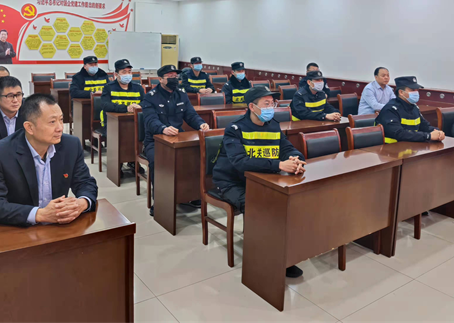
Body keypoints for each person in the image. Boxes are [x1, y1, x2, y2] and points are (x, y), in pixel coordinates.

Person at [211, 86, 307, 278]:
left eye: (273, 103)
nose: (271, 107)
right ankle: (260, 257)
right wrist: (279, 164)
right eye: (266, 103)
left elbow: (286, 148)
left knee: (289, 202)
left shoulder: (273, 125)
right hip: (232, 182)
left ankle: (282, 254)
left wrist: (296, 158)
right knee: (258, 206)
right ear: (252, 107)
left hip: (263, 179)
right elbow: (240, 162)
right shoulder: (235, 129)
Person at [0, 94, 98, 226]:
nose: (60, 128)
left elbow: (85, 182)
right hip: (19, 229)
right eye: (52, 122)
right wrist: (39, 214)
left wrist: (81, 203)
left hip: (58, 227)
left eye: (61, 120)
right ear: (29, 127)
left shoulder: (70, 145)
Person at [141, 64, 210, 216]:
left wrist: (201, 124)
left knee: (195, 156)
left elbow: (190, 115)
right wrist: (163, 129)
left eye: (175, 76)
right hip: (155, 141)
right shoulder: (150, 97)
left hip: (178, 138)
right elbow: (150, 120)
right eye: (170, 76)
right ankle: (159, 201)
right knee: (158, 163)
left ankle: (191, 195)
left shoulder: (181, 94)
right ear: (160, 79)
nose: (174, 79)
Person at [375, 76, 445, 144]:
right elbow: (399, 133)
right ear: (401, 92)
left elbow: (424, 126)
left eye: (417, 90)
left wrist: (437, 132)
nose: (416, 92)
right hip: (391, 148)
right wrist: (428, 136)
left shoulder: (414, 107)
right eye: (412, 90)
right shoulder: (390, 109)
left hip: (410, 147)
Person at [100, 59, 145, 134]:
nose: (127, 74)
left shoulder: (138, 88)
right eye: (124, 72)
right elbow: (105, 105)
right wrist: (126, 108)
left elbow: (146, 102)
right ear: (116, 74)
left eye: (129, 72)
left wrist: (139, 106)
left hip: (135, 122)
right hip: (113, 124)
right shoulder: (109, 87)